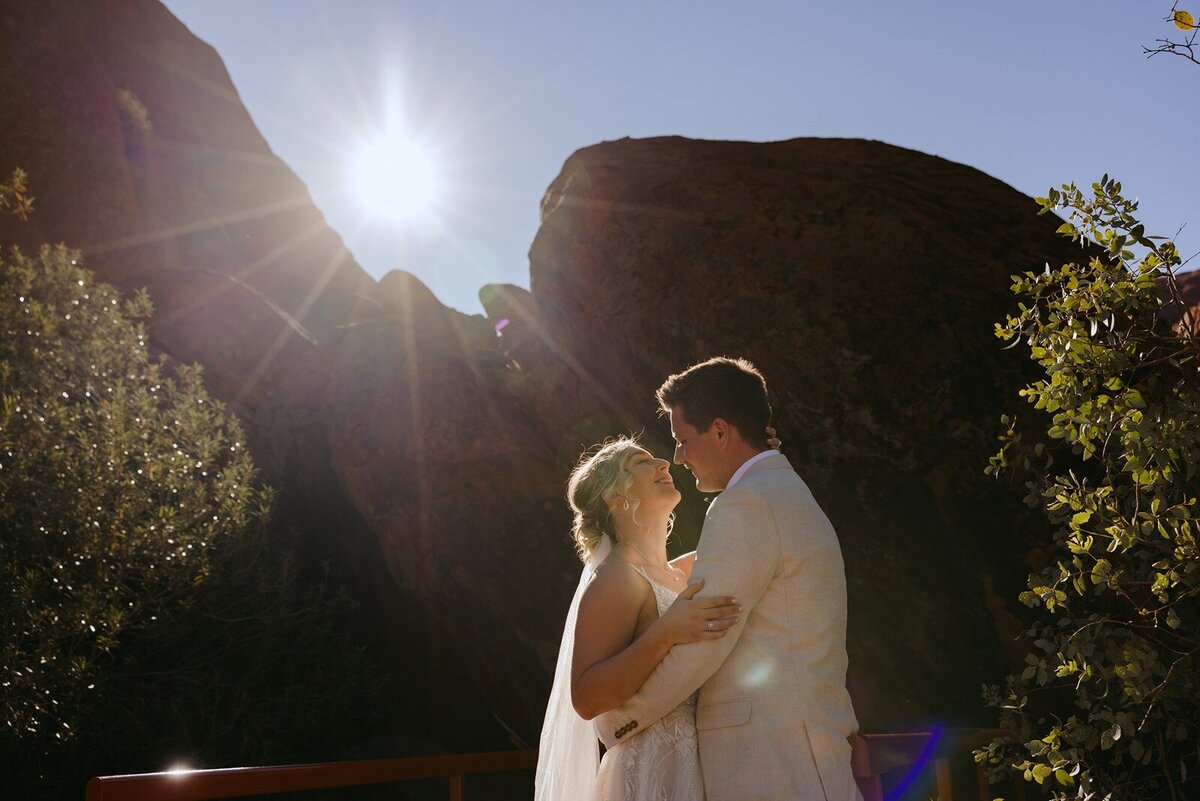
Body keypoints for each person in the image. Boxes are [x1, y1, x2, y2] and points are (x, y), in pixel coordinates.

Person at [594, 357, 862, 801]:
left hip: (774, 764)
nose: (677, 457)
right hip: (797, 752)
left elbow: (705, 638)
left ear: (720, 431)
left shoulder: (747, 505)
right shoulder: (782, 490)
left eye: (682, 440)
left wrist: (619, 722)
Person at [535, 437, 742, 801]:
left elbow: (739, 528)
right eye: (641, 462)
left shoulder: (681, 574)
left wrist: (749, 456)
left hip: (705, 765)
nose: (664, 463)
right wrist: (665, 632)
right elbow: (586, 698)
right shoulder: (618, 577)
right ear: (616, 496)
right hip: (649, 772)